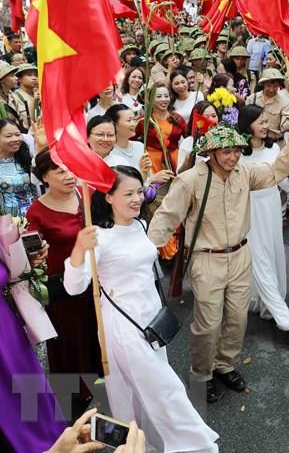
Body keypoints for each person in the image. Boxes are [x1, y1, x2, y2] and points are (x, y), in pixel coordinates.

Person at [147, 119, 289, 403]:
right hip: (207, 260)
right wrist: (144, 257)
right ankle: (201, 375)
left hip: (241, 255)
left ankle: (225, 365)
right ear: (211, 153)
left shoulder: (243, 172)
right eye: (225, 151)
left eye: (236, 150)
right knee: (207, 324)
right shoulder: (191, 180)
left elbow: (274, 172)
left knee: (236, 318)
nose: (232, 156)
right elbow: (166, 217)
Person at [64, 166, 220, 452]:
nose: (137, 198)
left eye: (139, 191)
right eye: (128, 193)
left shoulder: (140, 225)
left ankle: (137, 444)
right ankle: (198, 446)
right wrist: (78, 249)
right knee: (165, 390)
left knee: (139, 391)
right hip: (123, 327)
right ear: (108, 197)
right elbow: (73, 287)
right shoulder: (98, 236)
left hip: (151, 319)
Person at [0, 180, 65, 451]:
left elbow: (12, 274)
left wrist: (30, 260)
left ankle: (58, 443)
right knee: (1, 404)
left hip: (8, 329)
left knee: (33, 392)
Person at [27, 150, 102, 417]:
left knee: (97, 335)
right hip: (62, 289)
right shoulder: (37, 211)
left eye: (71, 168)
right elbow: (30, 253)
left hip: (93, 282)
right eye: (59, 171)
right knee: (69, 342)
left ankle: (99, 388)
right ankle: (70, 404)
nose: (69, 175)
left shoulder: (87, 194)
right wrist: (36, 256)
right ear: (44, 176)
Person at [237, 106, 289, 336]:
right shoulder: (238, 153)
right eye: (260, 122)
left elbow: (282, 179)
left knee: (271, 252)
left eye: (266, 121)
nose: (264, 126)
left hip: (271, 205)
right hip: (249, 207)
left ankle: (266, 302)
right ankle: (280, 312)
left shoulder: (275, 149)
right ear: (247, 124)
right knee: (258, 255)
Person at [135, 83, 187, 173]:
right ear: (150, 99)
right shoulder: (144, 121)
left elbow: (190, 137)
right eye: (158, 96)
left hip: (176, 160)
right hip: (152, 163)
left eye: (166, 96)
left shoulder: (178, 119)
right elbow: (131, 138)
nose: (164, 99)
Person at [245, 68, 289, 144]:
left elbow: (285, 126)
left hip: (276, 143)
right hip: (255, 143)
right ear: (263, 85)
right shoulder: (252, 99)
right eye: (268, 86)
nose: (271, 89)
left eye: (275, 86)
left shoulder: (284, 102)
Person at [10, 63, 38, 130]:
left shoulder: (40, 94)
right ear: (19, 79)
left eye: (36, 75)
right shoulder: (14, 97)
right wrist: (34, 101)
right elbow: (25, 124)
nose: (34, 78)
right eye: (29, 75)